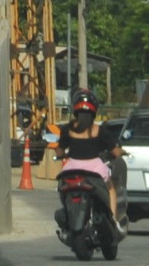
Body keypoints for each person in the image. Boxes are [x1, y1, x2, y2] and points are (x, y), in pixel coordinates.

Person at [51, 88, 124, 233]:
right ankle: (114, 220)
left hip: (72, 168)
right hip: (94, 169)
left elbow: (59, 151)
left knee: (62, 189)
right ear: (94, 110)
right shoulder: (100, 130)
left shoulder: (67, 129)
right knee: (111, 188)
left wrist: (61, 153)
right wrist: (122, 151)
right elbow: (114, 152)